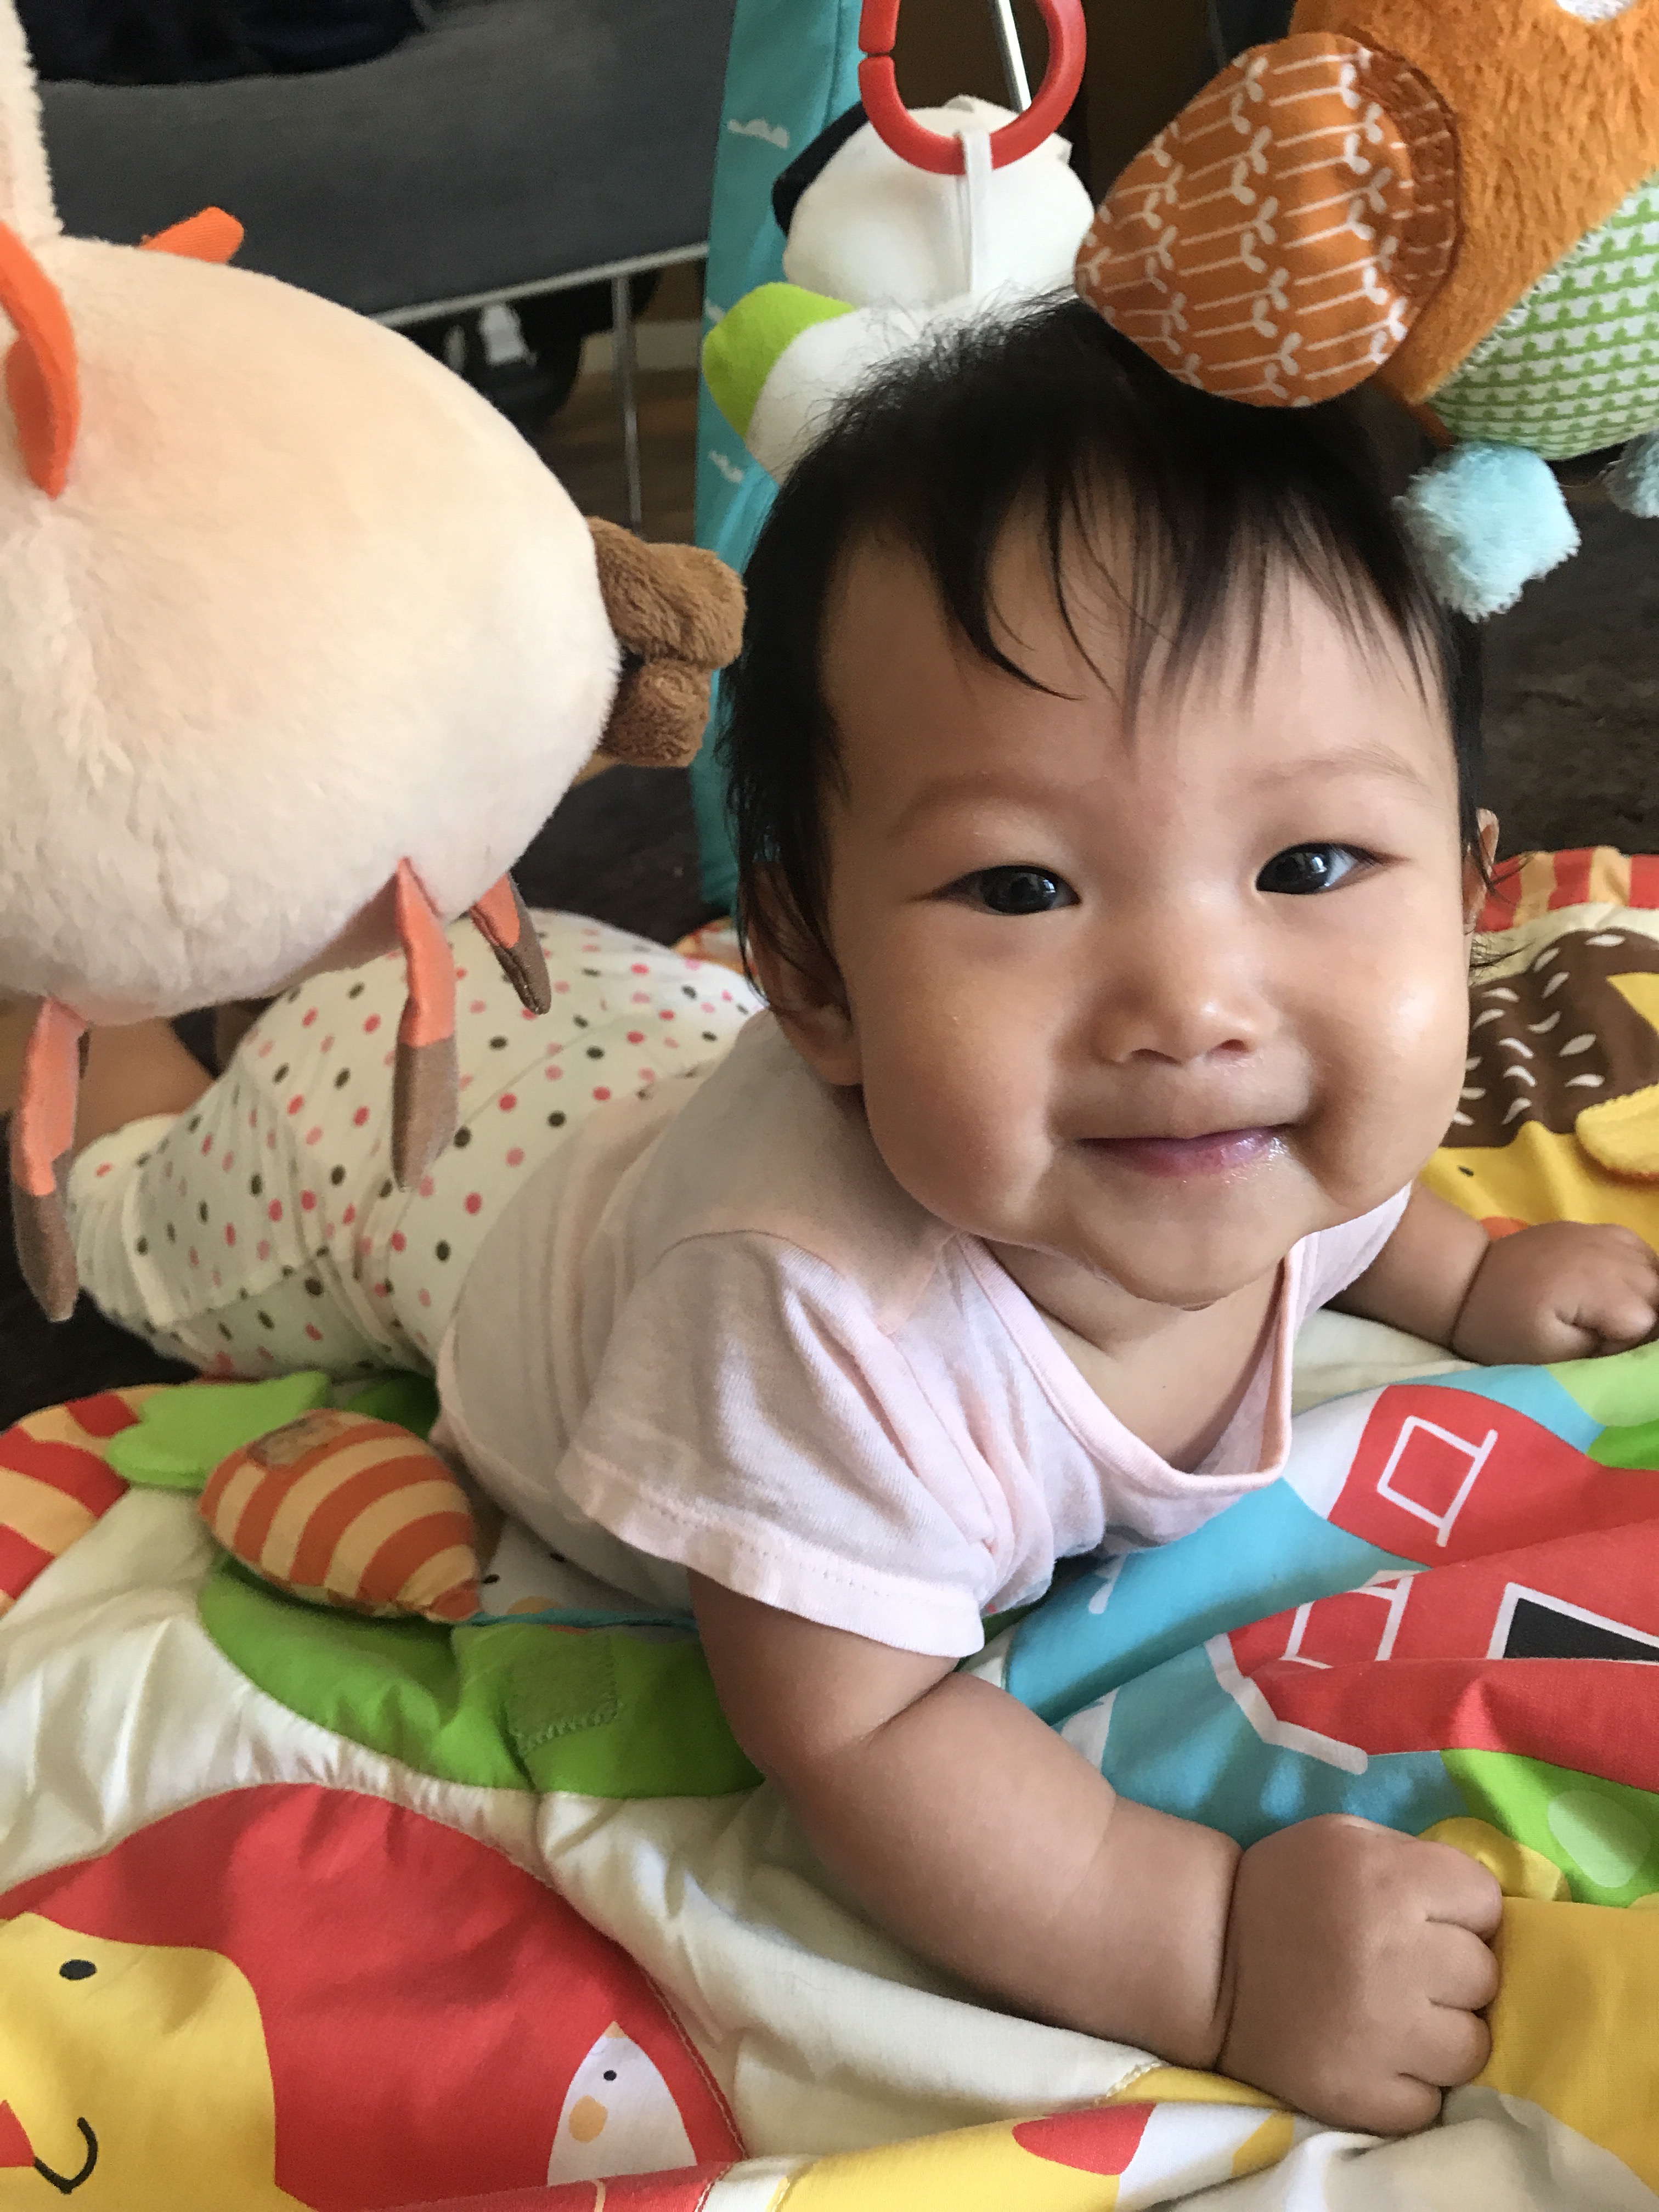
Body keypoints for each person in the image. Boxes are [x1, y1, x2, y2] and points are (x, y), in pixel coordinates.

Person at [44, 301, 1659, 2132]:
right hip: (420, 1176)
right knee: (147, 1205)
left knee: (486, 974)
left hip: (648, 1044)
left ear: (1466, 897)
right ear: (811, 975)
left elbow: (1341, 1224)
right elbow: (859, 1726)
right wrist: (1205, 1943)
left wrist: (1475, 1270)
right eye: (1023, 886)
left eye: (1308, 864)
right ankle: (88, 999)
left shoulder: (1232, 1129)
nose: (1197, 1006)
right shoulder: (811, 1317)